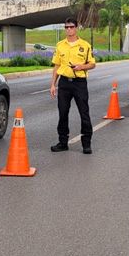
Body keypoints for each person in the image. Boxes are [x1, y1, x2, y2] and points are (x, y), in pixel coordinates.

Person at [50, 17, 96, 154]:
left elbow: (92, 64)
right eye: (66, 27)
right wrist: (53, 84)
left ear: (76, 28)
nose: (68, 29)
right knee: (63, 113)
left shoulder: (85, 45)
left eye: (71, 27)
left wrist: (82, 66)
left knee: (84, 113)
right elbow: (56, 66)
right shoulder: (60, 45)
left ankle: (86, 144)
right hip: (64, 83)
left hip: (79, 83)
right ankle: (63, 142)